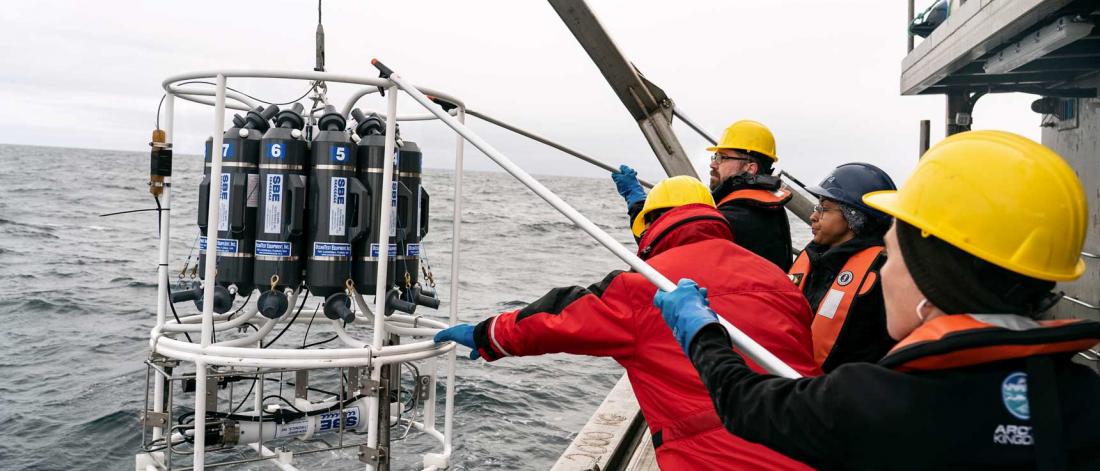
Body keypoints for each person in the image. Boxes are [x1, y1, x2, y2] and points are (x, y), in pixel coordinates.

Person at [654, 131, 1100, 470]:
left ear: (933, 273)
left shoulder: (872, 404)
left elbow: (744, 402)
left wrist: (702, 330)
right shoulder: (1084, 399)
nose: (884, 269)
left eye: (896, 254)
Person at [436, 176, 821, 470]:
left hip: (714, 457)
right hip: (807, 444)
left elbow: (558, 319)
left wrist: (486, 334)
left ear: (653, 221)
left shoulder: (645, 284)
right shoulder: (776, 277)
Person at [613, 120, 794, 270]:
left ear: (750, 168)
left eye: (722, 157)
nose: (713, 164)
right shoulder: (760, 208)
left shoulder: (736, 217)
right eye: (715, 157)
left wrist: (636, 201)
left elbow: (662, 245)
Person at [789, 163, 897, 372]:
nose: (813, 216)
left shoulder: (882, 275)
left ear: (853, 218)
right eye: (816, 206)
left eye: (824, 208)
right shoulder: (814, 257)